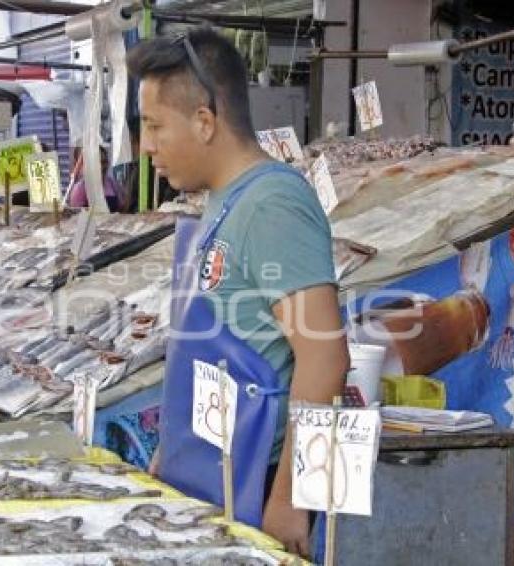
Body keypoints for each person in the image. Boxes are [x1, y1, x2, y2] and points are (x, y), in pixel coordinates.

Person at [128, 27, 349, 557]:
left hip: (260, 478)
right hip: (216, 467)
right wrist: (173, 449)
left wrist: (292, 497)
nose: (145, 146)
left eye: (155, 126)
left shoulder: (273, 205)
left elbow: (324, 357)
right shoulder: (224, 198)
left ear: (205, 121)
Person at [68, 145, 124, 212]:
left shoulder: (112, 183)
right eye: (98, 163)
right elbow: (76, 218)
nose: (102, 167)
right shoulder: (79, 189)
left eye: (104, 162)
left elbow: (122, 207)